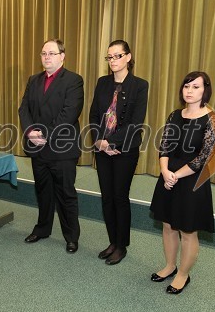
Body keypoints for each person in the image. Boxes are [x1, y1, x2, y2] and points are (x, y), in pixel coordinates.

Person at [149, 71, 215, 294]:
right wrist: (164, 171)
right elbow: (165, 145)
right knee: (168, 224)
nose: (189, 91)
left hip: (191, 179)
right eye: (187, 87)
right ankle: (170, 266)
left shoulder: (212, 119)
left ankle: (183, 273)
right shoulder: (174, 115)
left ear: (205, 90)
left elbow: (203, 157)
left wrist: (175, 175)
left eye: (196, 87)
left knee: (188, 230)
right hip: (168, 175)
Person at [18, 39, 84, 253]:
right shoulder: (33, 80)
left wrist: (43, 134)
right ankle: (42, 229)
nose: (47, 57)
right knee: (43, 191)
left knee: (66, 193)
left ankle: (71, 236)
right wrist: (29, 131)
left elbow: (69, 113)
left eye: (52, 53)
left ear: (62, 56)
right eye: (44, 53)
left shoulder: (73, 80)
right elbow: (24, 109)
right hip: (38, 147)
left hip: (62, 148)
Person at [89, 40, 149, 265]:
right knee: (106, 197)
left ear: (128, 57)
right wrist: (99, 141)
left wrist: (111, 142)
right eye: (109, 57)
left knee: (119, 197)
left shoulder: (140, 85)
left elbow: (136, 122)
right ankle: (112, 241)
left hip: (125, 149)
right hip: (102, 148)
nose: (113, 61)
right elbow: (94, 115)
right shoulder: (102, 83)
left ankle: (122, 245)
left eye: (117, 56)